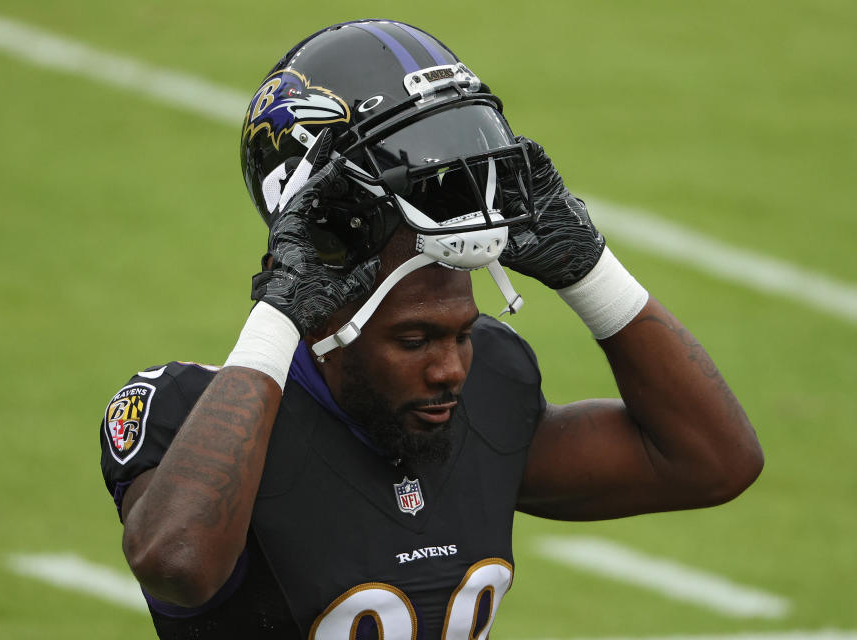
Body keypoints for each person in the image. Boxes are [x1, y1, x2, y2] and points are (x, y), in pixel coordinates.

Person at [99, 20, 763, 639]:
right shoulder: (189, 417)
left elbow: (714, 463)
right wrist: (278, 312)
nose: (450, 369)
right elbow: (178, 561)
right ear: (321, 304)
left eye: (462, 334)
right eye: (414, 341)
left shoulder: (485, 391)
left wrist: (592, 273)